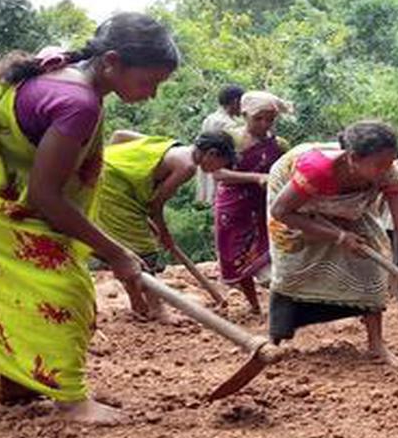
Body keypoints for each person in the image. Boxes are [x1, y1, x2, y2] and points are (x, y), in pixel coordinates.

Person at [0, 13, 179, 424]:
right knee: (61, 285)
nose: (152, 94)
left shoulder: (82, 87)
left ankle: (17, 385)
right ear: (112, 62)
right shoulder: (78, 103)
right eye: (149, 81)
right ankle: (71, 400)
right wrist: (117, 253)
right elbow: (46, 197)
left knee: (29, 272)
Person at [266, 121, 398, 364]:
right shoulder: (317, 169)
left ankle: (376, 344)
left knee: (372, 265)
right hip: (293, 200)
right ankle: (274, 341)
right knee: (293, 268)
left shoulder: (390, 174)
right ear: (352, 158)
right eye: (379, 164)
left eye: (390, 162)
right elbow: (282, 211)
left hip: (349, 209)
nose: (386, 169)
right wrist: (338, 236)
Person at [91, 130, 235, 274]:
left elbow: (119, 135)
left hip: (110, 176)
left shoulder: (171, 145)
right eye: (221, 163)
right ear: (212, 153)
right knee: (145, 251)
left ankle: (108, 260)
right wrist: (165, 235)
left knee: (142, 248)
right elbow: (155, 205)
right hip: (112, 188)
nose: (218, 169)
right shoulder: (187, 167)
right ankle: (104, 260)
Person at [213, 91, 291, 315]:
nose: (265, 124)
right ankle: (254, 305)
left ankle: (282, 305)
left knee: (273, 253)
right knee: (235, 256)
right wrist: (254, 178)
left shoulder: (280, 145)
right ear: (244, 114)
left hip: (265, 206)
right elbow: (217, 172)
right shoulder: (229, 140)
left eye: (270, 119)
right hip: (233, 208)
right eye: (259, 119)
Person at [195, 84, 244, 204]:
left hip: (205, 165)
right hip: (219, 167)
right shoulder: (229, 124)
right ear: (235, 101)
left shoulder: (210, 118)